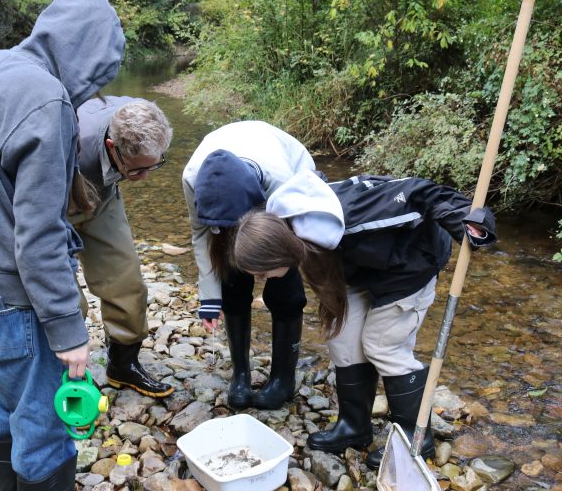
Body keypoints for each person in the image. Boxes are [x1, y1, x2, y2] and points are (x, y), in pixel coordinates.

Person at [0, 0, 124, 490]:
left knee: (1, 411)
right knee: (45, 430)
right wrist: (68, 329)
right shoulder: (47, 99)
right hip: (12, 296)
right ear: (88, 53)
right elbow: (38, 233)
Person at [233, 171, 496, 469]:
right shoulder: (284, 222)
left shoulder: (360, 213)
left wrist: (466, 219)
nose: (259, 279)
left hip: (410, 265)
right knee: (342, 337)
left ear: (276, 253)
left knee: (382, 345)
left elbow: (422, 192)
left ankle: (415, 437)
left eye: (261, 272)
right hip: (360, 266)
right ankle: (354, 427)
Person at [181, 120, 316, 410]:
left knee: (285, 291)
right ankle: (240, 374)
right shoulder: (192, 179)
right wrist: (209, 296)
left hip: (282, 189)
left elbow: (303, 233)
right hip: (230, 186)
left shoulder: (283, 180)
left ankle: (283, 379)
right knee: (231, 281)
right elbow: (201, 233)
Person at [72, 95, 174, 398]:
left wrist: (128, 170)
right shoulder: (67, 143)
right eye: (136, 171)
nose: (143, 179)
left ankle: (122, 366)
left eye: (152, 167)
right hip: (51, 200)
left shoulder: (144, 116)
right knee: (65, 298)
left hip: (101, 198)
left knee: (126, 281)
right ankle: (66, 373)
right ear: (111, 148)